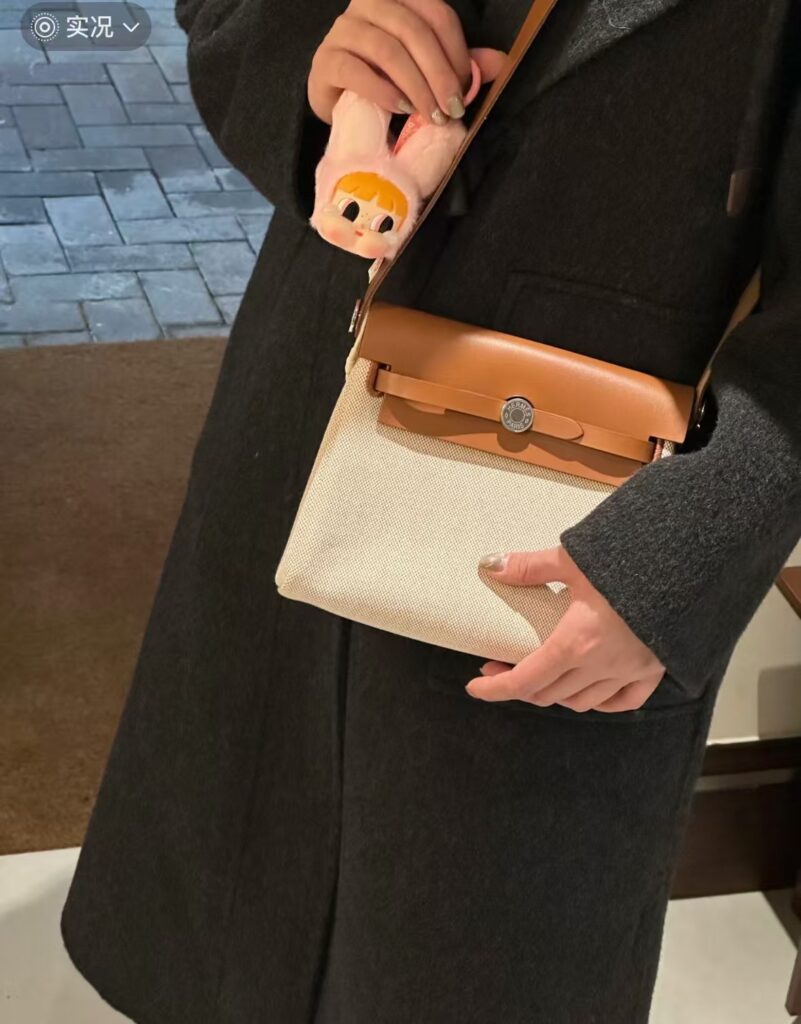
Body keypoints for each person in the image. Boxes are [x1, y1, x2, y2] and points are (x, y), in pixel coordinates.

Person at [60, 1, 801, 1021]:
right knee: (228, 918)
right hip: (317, 392)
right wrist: (312, 59)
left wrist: (687, 546)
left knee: (470, 955)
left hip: (591, 511)